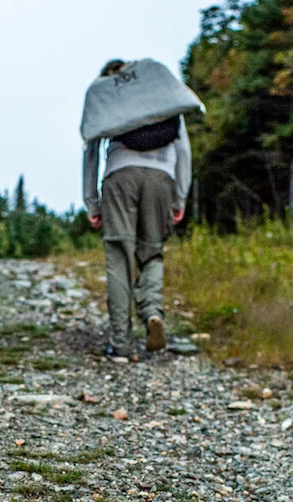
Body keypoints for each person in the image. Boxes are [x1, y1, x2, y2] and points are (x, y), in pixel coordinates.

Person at [83, 59, 192, 364]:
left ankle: (121, 345)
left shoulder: (107, 99)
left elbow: (91, 150)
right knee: (152, 252)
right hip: (161, 177)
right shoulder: (160, 92)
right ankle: (153, 313)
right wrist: (179, 197)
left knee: (119, 255)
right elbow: (184, 150)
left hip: (120, 175)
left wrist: (92, 201)